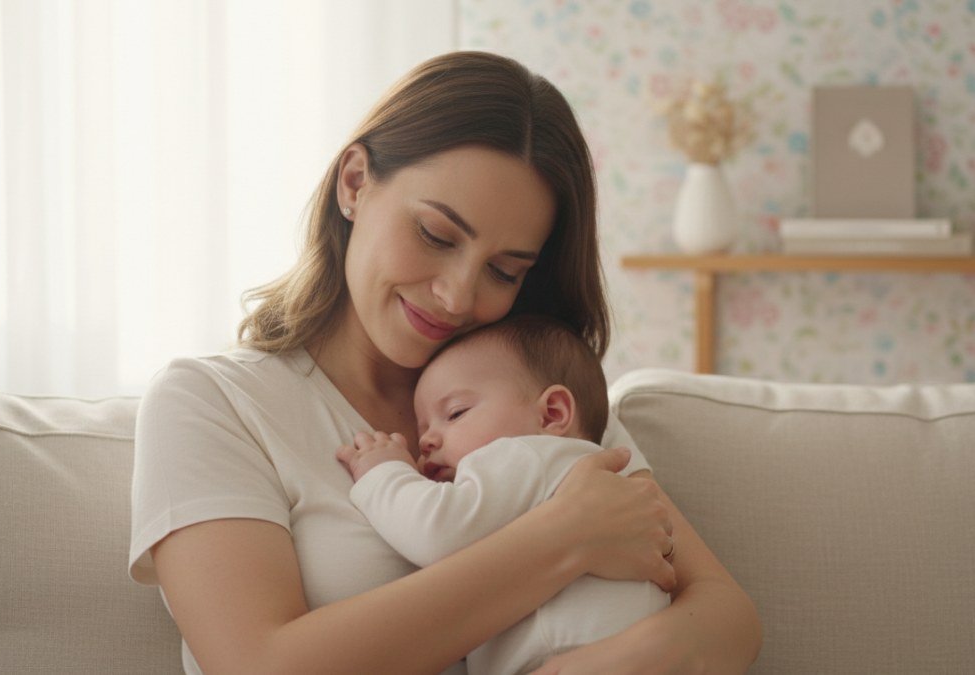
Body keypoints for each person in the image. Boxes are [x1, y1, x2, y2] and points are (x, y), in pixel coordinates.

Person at [128, 50, 760, 674]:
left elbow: (726, 617)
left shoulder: (536, 395)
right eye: (435, 235)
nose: (458, 296)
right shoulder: (211, 403)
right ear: (354, 183)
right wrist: (566, 538)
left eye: (504, 271)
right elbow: (258, 664)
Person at [337, 314, 671, 675]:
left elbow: (437, 531)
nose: (428, 440)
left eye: (455, 413)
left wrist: (382, 471)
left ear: (552, 414)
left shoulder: (529, 454)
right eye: (423, 430)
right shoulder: (586, 470)